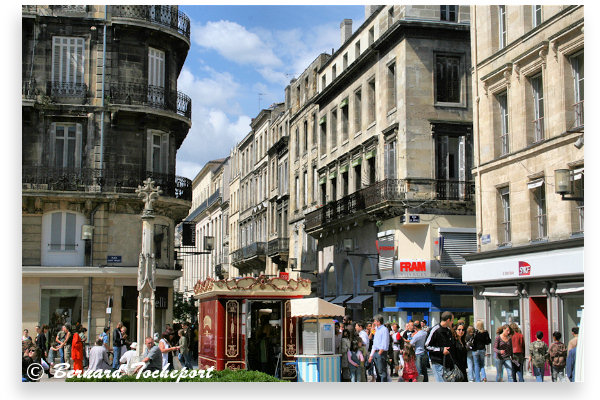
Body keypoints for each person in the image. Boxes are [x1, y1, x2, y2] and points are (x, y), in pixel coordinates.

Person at [425, 311, 455, 382]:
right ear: (448, 320)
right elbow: (427, 346)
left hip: (447, 363)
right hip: (437, 362)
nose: (452, 323)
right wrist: (441, 350)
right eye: (452, 320)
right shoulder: (435, 330)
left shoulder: (448, 331)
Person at [368, 314, 390, 382]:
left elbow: (385, 341)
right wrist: (371, 355)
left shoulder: (384, 329)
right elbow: (375, 343)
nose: (374, 323)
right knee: (377, 372)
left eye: (375, 321)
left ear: (378, 321)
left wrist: (380, 351)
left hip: (381, 352)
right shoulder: (377, 330)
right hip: (376, 351)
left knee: (382, 371)